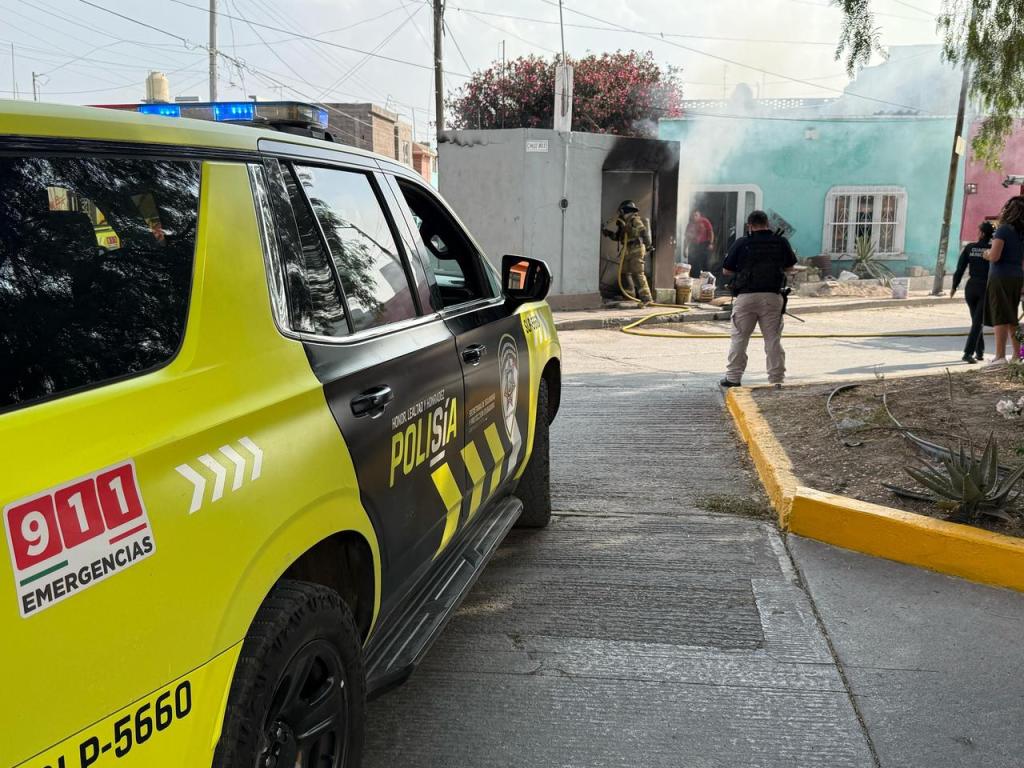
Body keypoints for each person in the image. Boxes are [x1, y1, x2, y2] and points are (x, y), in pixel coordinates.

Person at [719, 210, 797, 388]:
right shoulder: (781, 242)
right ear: (767, 224)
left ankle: (733, 378)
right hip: (772, 296)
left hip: (746, 297)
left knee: (739, 338)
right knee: (772, 340)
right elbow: (790, 267)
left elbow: (726, 270)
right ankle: (776, 380)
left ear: (750, 225)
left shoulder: (742, 242)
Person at [984, 196, 1024, 366]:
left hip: (1000, 277)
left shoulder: (1003, 230)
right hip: (1017, 276)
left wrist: (986, 254)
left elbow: (995, 256)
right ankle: (1017, 356)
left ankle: (1000, 356)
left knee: (1000, 316)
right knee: (1012, 317)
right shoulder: (1022, 233)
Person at [949, 221, 994, 364]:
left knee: (976, 321)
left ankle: (979, 352)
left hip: (971, 288)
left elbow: (960, 268)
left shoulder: (970, 247)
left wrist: (954, 286)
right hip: (985, 288)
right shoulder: (993, 248)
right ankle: (968, 353)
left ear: (981, 233)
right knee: (977, 322)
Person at [602, 199, 653, 305]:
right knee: (624, 272)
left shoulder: (635, 220)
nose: (620, 214)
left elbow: (642, 231)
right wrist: (607, 233)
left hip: (636, 249)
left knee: (637, 273)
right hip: (627, 250)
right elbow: (618, 236)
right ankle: (630, 294)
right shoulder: (624, 223)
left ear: (625, 210)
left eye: (621, 211)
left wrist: (648, 245)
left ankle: (646, 298)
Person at [685, 209, 715, 277]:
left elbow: (711, 232)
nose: (694, 217)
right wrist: (685, 248)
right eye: (693, 216)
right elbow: (687, 238)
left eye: (696, 215)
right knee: (693, 264)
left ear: (699, 215)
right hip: (694, 246)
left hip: (704, 245)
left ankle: (707, 280)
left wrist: (711, 243)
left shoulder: (705, 221)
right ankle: (694, 278)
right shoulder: (690, 224)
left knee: (705, 263)